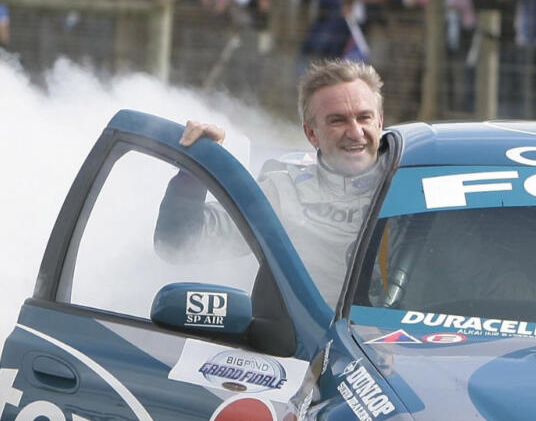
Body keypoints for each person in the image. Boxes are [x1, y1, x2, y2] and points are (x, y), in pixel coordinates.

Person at [158, 59, 389, 303]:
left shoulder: (416, 179)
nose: (355, 132)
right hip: (315, 337)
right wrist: (196, 169)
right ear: (311, 133)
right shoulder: (283, 190)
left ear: (380, 121)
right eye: (337, 120)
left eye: (364, 118)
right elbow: (177, 243)